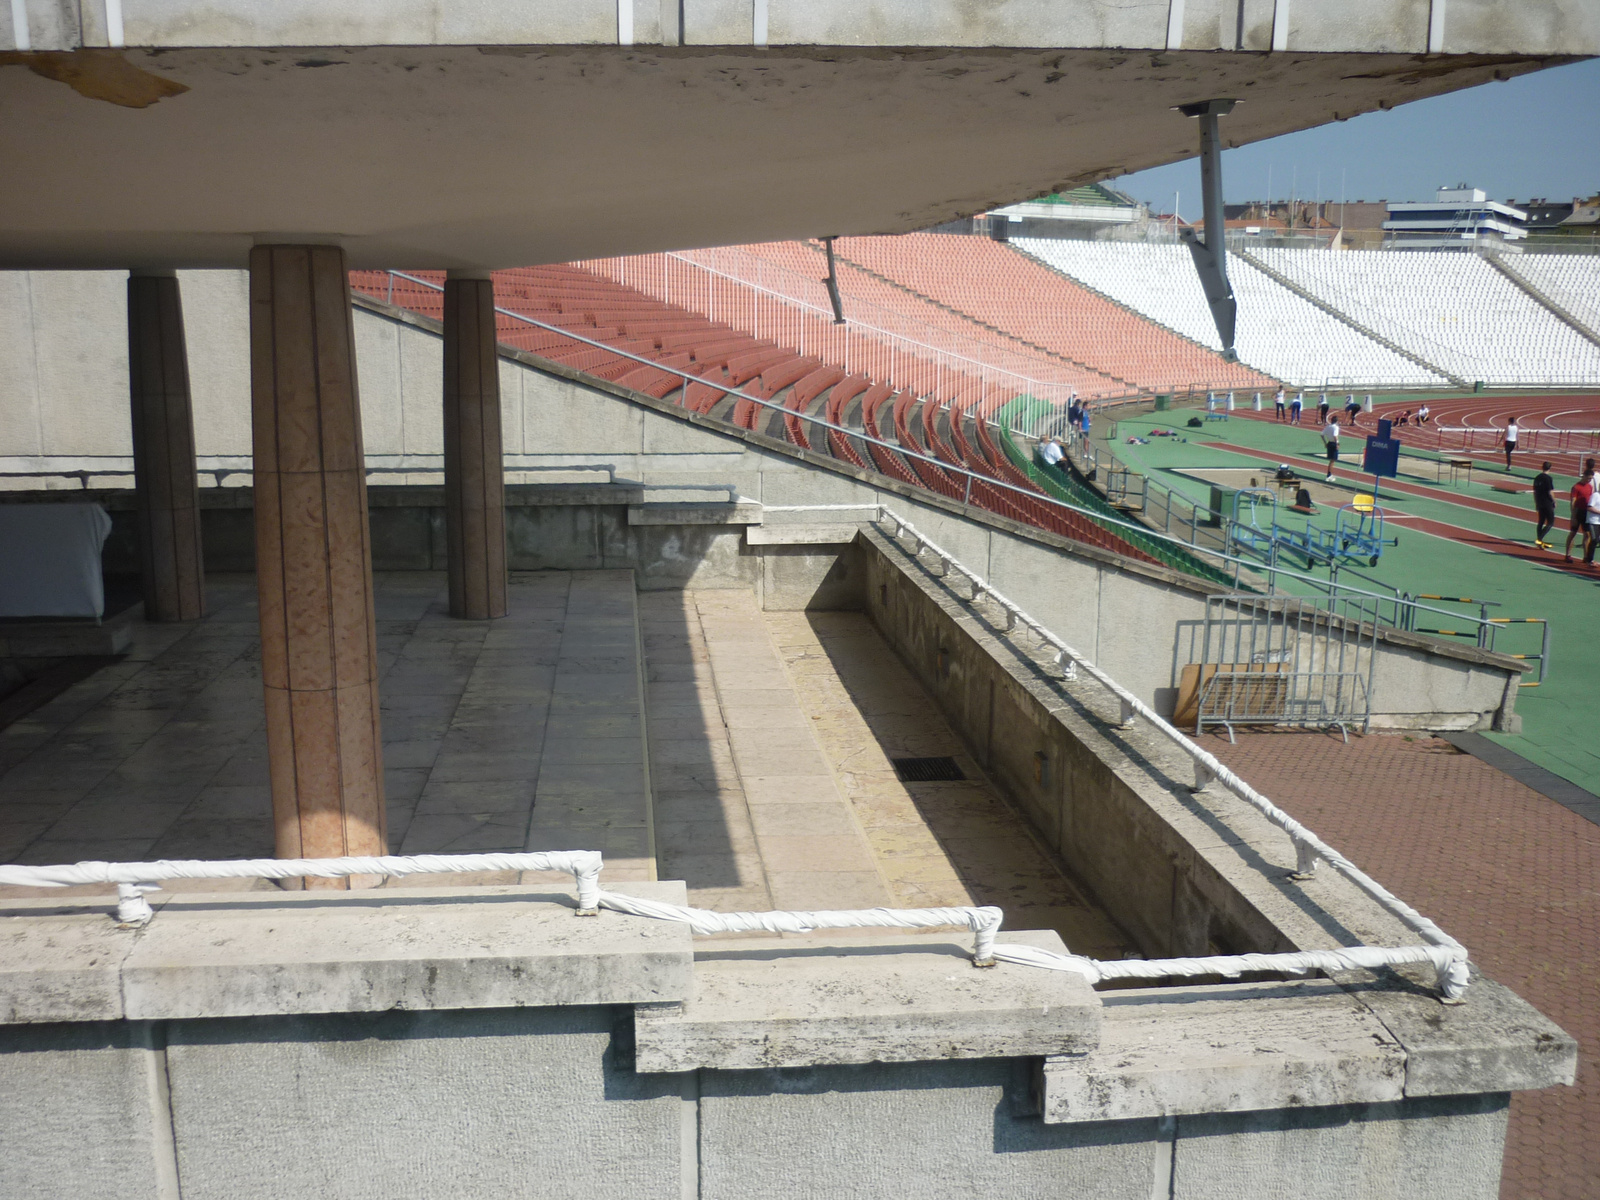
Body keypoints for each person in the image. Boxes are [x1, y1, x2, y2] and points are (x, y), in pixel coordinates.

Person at [1565, 459, 1595, 564]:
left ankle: (1585, 556)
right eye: (1588, 478)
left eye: (1590, 479)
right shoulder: (1576, 487)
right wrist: (1573, 516)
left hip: (1586, 513)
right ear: (1584, 476)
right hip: (1578, 512)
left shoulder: (1590, 487)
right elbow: (1573, 501)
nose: (1589, 480)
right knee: (1573, 533)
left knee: (1587, 534)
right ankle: (1568, 555)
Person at [1532, 461, 1557, 549]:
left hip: (1540, 502)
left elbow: (1535, 492)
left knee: (1541, 522)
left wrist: (1536, 503)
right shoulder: (1548, 478)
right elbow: (1550, 492)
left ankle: (1539, 541)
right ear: (1550, 468)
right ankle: (1539, 539)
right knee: (1550, 522)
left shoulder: (1537, 478)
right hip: (1547, 502)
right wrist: (1554, 501)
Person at [1321, 415, 1341, 482]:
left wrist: (1325, 443)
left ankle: (1329, 474)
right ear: (1337, 421)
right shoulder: (1336, 427)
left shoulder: (1328, 427)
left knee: (1332, 460)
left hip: (1329, 443)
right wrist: (1337, 444)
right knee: (1332, 461)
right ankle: (1329, 475)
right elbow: (1335, 436)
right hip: (1333, 443)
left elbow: (1322, 435)